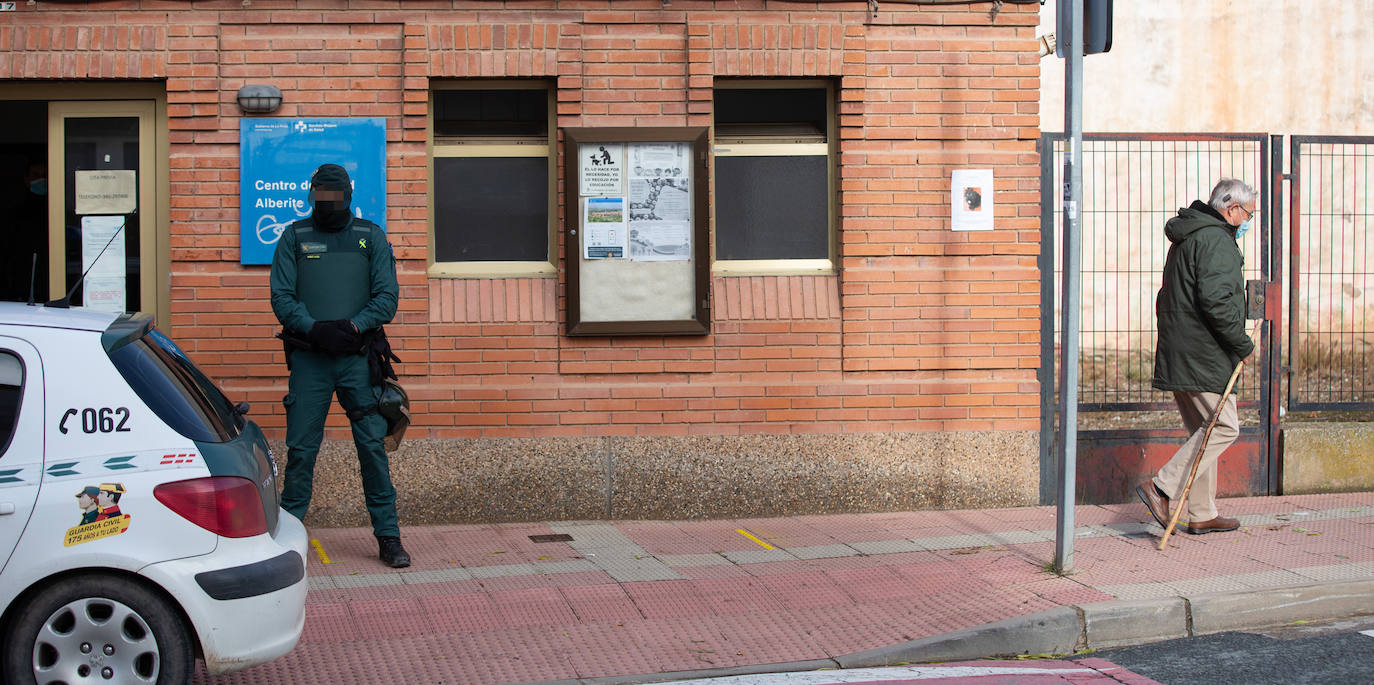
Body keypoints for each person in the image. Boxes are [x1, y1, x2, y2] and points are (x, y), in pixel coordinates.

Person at [269, 163, 410, 568]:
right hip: (311, 361)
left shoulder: (370, 237)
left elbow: (387, 298)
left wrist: (353, 326)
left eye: (335, 197)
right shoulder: (294, 236)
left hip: (358, 361)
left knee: (372, 450)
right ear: (311, 196)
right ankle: (288, 539)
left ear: (348, 196)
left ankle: (389, 537)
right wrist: (314, 330)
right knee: (301, 452)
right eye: (320, 197)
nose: (328, 205)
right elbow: (281, 298)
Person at [1137, 178, 1257, 536]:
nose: (1247, 221)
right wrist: (1243, 345)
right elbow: (1217, 303)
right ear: (1232, 209)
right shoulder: (1216, 240)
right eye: (1247, 214)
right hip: (1203, 352)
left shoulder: (1191, 235)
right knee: (1223, 427)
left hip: (1182, 347)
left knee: (1204, 431)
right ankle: (1161, 487)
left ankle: (1202, 512)